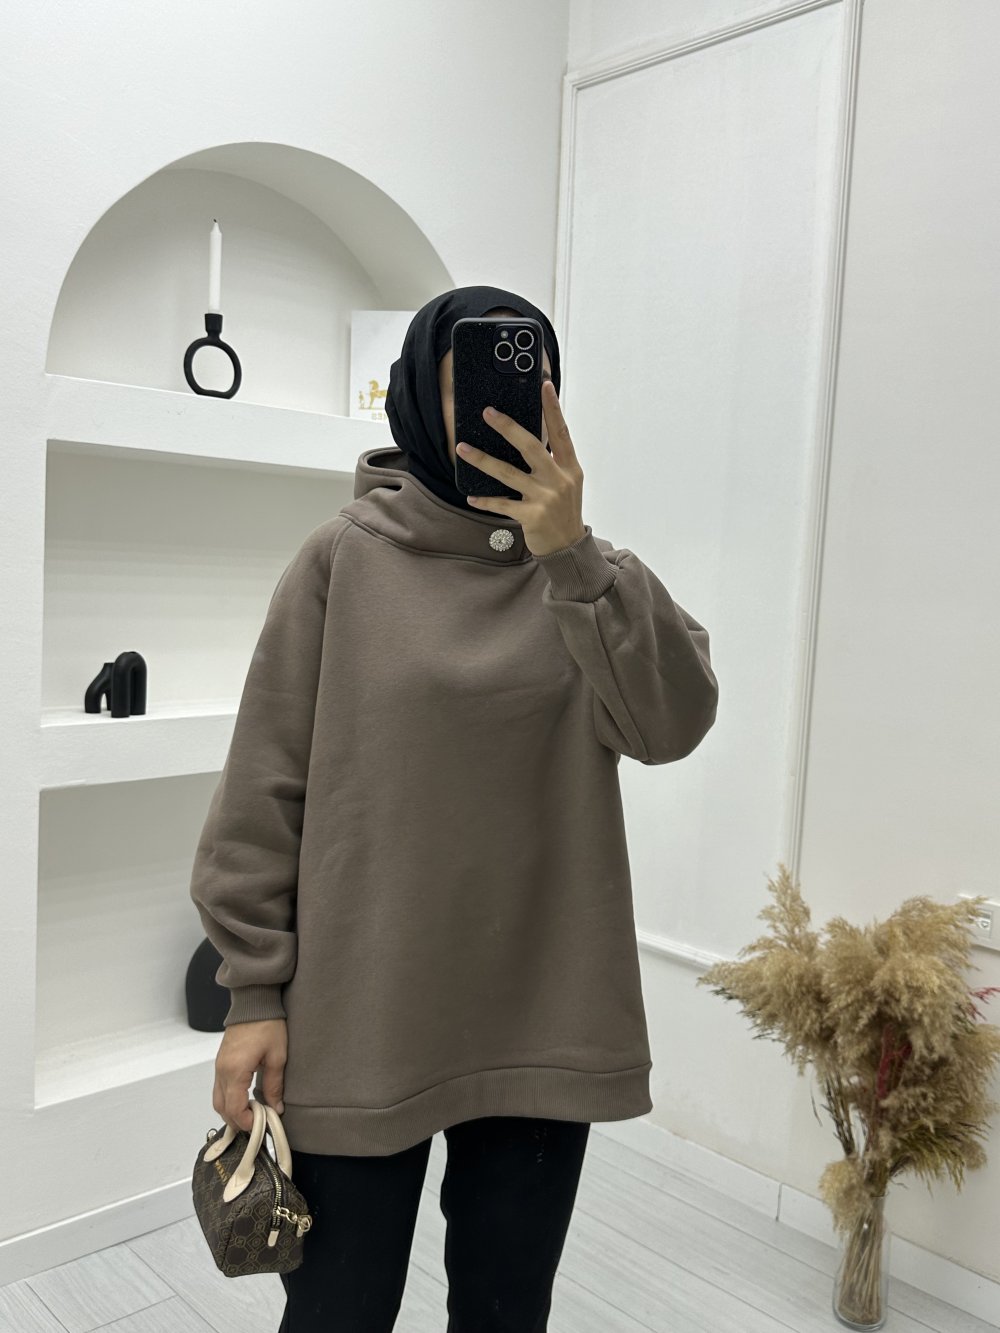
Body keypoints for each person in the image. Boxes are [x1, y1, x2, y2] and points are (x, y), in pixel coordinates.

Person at [189, 285, 719, 1331]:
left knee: (504, 1311)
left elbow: (671, 724)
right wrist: (253, 993)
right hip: (364, 1011)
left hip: (542, 1008)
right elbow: (263, 785)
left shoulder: (592, 579)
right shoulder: (341, 559)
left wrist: (572, 552)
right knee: (337, 1310)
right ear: (415, 401)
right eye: (468, 384)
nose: (505, 411)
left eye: (533, 384)